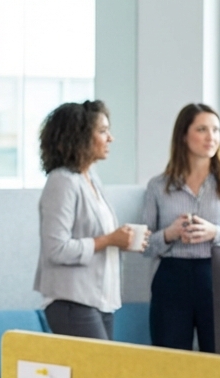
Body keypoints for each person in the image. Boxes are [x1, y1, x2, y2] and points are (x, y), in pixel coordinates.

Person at [141, 104, 220, 352]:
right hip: (171, 279)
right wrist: (170, 234)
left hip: (218, 277)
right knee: (169, 358)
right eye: (202, 129)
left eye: (215, 130)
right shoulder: (158, 186)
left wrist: (216, 233)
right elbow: (145, 246)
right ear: (184, 135)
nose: (211, 137)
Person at [33, 100, 147, 340]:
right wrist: (108, 240)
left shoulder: (90, 178)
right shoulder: (62, 181)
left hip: (100, 300)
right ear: (80, 137)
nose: (110, 138)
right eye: (103, 131)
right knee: (98, 375)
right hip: (72, 301)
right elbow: (56, 249)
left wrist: (120, 240)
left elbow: (98, 236)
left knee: (100, 376)